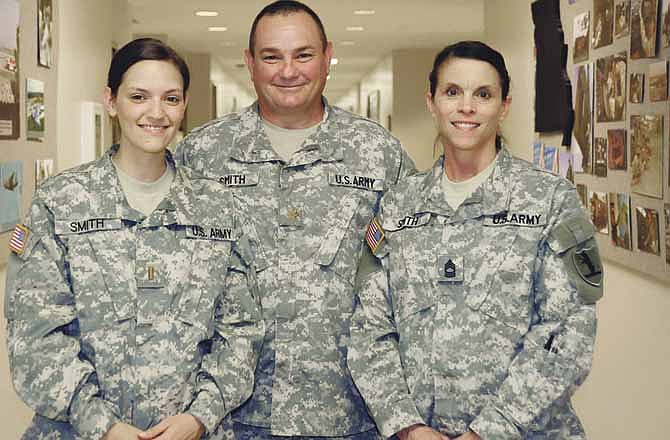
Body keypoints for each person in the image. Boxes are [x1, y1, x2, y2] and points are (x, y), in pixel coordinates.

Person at [176, 1, 415, 439]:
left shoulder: (378, 154)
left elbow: (412, 279)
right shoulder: (202, 154)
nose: (288, 70)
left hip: (349, 414)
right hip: (228, 414)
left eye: (303, 55)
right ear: (250, 63)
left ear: (327, 57)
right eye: (272, 56)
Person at [5, 38, 263, 440]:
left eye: (171, 99)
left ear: (184, 105)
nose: (156, 113)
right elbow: (35, 335)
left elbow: (242, 330)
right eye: (139, 96)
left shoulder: (216, 207)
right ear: (111, 101)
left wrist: (200, 415)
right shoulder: (62, 202)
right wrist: (101, 425)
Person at [348, 41, 602, 439]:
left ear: (503, 106)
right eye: (453, 92)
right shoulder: (398, 207)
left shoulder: (549, 200)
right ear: (431, 102)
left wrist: (488, 431)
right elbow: (369, 327)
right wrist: (406, 425)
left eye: (483, 94)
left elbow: (565, 332)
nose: (466, 107)